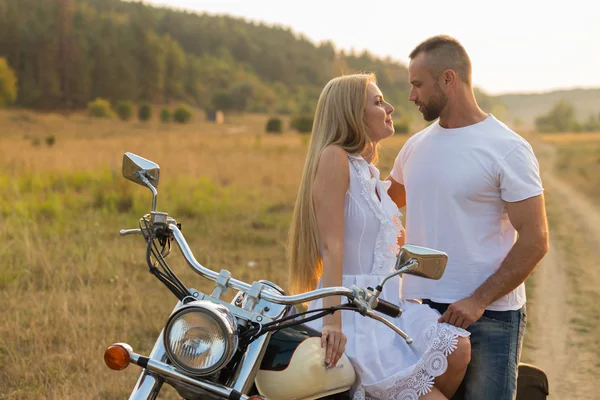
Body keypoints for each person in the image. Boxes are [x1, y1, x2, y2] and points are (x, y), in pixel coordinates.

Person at [287, 73, 471, 400]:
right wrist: (332, 322)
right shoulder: (334, 158)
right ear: (352, 115)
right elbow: (331, 246)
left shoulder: (369, 171)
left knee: (457, 347)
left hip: (386, 305)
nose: (389, 107)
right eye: (377, 101)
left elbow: (383, 247)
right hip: (352, 310)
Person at [387, 35, 550, 400]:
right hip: (417, 316)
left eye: (417, 84)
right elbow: (380, 205)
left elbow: (536, 239)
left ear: (449, 79)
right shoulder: (415, 147)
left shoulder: (507, 148)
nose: (411, 96)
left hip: (488, 318)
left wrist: (477, 301)